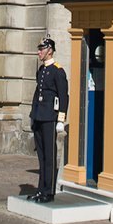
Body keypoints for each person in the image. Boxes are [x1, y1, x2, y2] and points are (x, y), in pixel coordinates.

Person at [28, 36, 69, 203]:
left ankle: (49, 191)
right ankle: (40, 189)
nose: (39, 52)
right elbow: (37, 93)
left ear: (50, 50)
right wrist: (32, 115)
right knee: (41, 155)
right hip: (39, 115)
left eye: (42, 49)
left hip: (50, 117)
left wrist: (61, 119)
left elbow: (63, 96)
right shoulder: (41, 70)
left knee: (49, 156)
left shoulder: (58, 71)